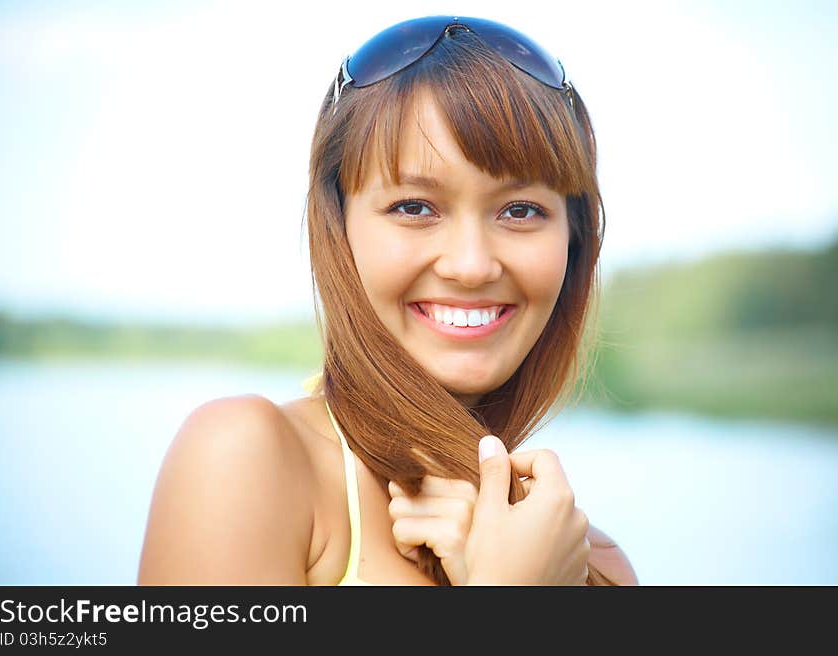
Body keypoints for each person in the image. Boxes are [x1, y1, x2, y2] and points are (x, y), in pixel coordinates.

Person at [137, 15, 638, 586]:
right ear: (339, 226)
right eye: (414, 207)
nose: (471, 265)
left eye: (520, 210)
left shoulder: (595, 567)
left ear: (575, 241)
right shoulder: (244, 462)